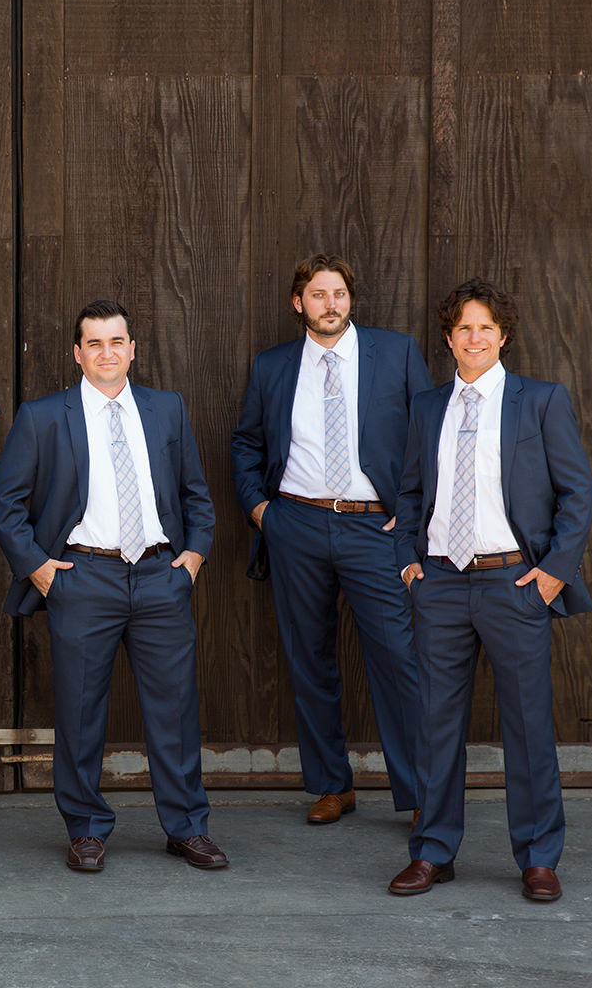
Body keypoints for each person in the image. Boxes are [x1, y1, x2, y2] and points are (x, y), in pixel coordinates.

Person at [0, 300, 226, 874]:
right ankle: (87, 828)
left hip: (159, 575)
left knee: (174, 711)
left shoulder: (166, 409)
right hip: (82, 578)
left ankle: (187, 827)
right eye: (93, 343)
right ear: (77, 352)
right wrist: (40, 569)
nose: (106, 353)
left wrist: (192, 557)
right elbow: (6, 501)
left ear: (133, 348)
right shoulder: (44, 415)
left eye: (116, 342)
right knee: (79, 712)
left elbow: (195, 491)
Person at [387, 278, 592, 903]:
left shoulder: (540, 402)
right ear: (448, 339)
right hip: (442, 584)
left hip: (515, 582)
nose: (473, 338)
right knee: (435, 721)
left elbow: (577, 493)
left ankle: (537, 856)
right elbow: (409, 493)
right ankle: (432, 850)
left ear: (502, 335)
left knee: (528, 723)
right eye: (462, 329)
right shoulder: (427, 408)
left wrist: (554, 571)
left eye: (485, 328)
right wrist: (408, 563)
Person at [230, 255, 432, 826]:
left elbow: (428, 436)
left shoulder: (394, 354)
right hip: (296, 524)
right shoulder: (272, 367)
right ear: (300, 304)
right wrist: (262, 511)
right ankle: (330, 785)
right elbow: (246, 443)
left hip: (376, 527)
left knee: (396, 657)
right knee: (308, 658)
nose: (330, 304)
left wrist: (410, 518)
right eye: (318, 295)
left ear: (350, 299)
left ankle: (421, 795)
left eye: (339, 293)